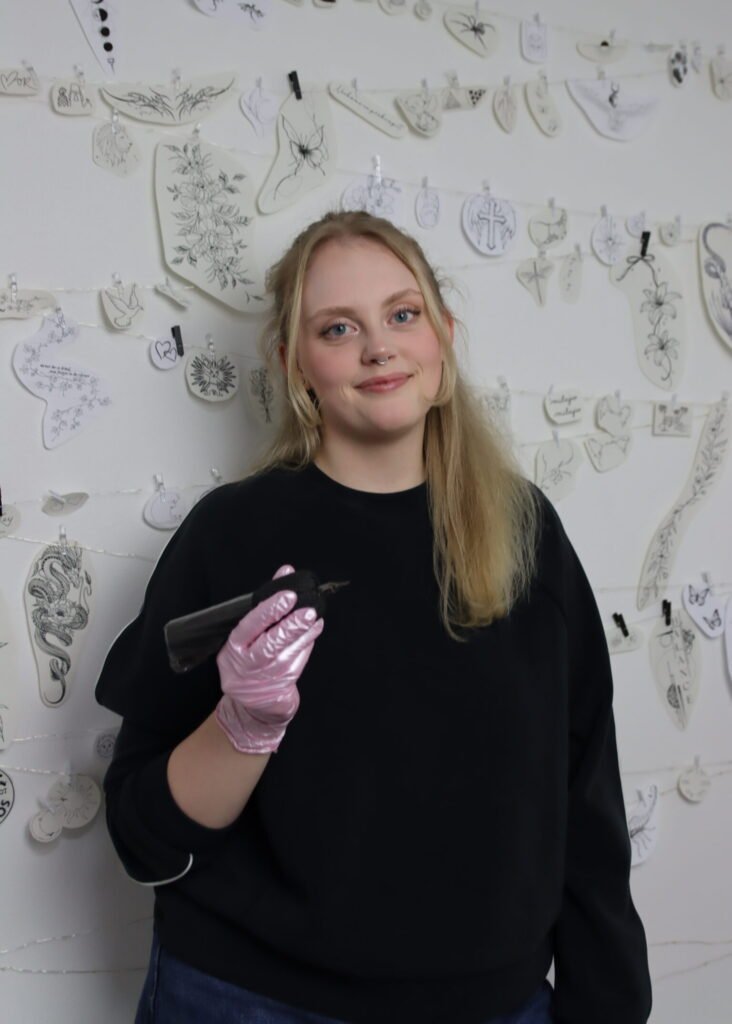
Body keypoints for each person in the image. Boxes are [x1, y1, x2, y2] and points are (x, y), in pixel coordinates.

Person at [95, 210, 652, 1024]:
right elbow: (141, 835)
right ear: (294, 365)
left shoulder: (524, 531)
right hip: (246, 999)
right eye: (338, 327)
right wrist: (243, 727)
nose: (379, 348)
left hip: (491, 1008)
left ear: (443, 338)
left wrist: (608, 1006)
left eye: (402, 314)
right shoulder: (231, 534)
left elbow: (587, 795)